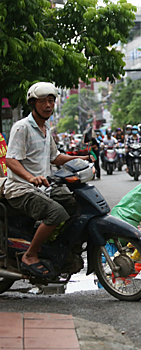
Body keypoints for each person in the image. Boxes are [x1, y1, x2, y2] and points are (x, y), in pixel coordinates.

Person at [4, 82, 92, 278]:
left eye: (51, 101)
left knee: (76, 204)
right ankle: (30, 254)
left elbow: (55, 158)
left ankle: (53, 245)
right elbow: (11, 160)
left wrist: (78, 159)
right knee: (56, 213)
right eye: (42, 101)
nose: (48, 105)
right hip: (21, 189)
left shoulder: (46, 128)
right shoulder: (22, 127)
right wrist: (30, 177)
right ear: (33, 104)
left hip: (43, 188)